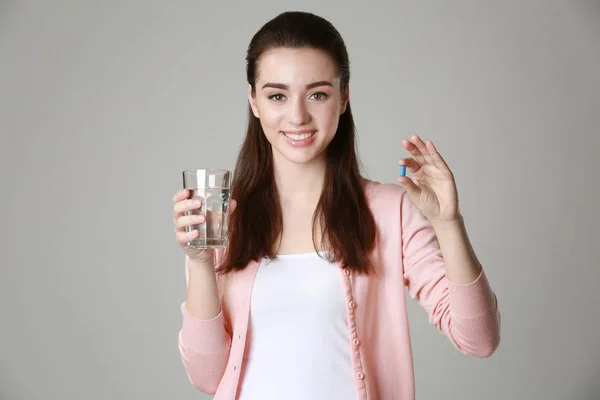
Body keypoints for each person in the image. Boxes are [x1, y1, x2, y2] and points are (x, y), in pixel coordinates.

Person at [172, 10, 500, 400]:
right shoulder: (224, 218)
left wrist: (448, 224)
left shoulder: (389, 211)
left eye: (317, 94)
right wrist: (198, 261)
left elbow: (479, 340)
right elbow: (208, 377)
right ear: (253, 101)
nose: (297, 116)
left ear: (344, 97)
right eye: (277, 95)